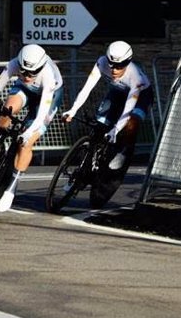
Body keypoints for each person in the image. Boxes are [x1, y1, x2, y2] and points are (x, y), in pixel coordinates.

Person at [0, 44, 64, 212]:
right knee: (6, 112)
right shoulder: (14, 64)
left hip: (48, 96)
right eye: (23, 71)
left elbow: (42, 114)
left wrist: (28, 133)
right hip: (25, 90)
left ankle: (12, 187)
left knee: (26, 143)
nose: (27, 76)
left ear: (40, 68)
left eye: (31, 73)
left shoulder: (48, 77)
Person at [62, 41, 154, 203]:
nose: (114, 70)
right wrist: (73, 109)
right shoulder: (101, 62)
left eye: (119, 66)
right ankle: (86, 165)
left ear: (127, 62)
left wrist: (116, 129)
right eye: (111, 65)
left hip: (140, 96)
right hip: (117, 92)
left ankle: (121, 153)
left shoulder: (135, 76)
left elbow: (129, 106)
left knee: (130, 126)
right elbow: (87, 88)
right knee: (99, 124)